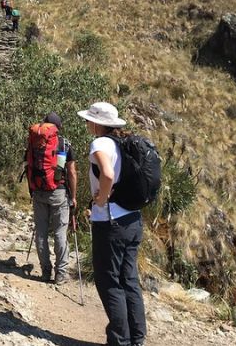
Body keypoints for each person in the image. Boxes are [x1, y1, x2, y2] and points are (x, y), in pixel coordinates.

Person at [77, 102, 146, 346]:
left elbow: (106, 174)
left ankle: (119, 341)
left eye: (88, 120)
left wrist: (100, 199)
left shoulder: (100, 143)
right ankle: (137, 339)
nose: (86, 124)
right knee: (129, 280)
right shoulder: (122, 143)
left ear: (97, 123)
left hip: (111, 221)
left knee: (109, 281)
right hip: (133, 219)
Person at [26, 112, 78, 285]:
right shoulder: (64, 143)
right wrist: (74, 196)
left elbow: (28, 166)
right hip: (59, 193)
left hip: (38, 192)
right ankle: (60, 274)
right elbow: (71, 172)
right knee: (59, 233)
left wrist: (32, 189)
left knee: (40, 233)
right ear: (57, 127)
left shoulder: (33, 142)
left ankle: (45, 272)